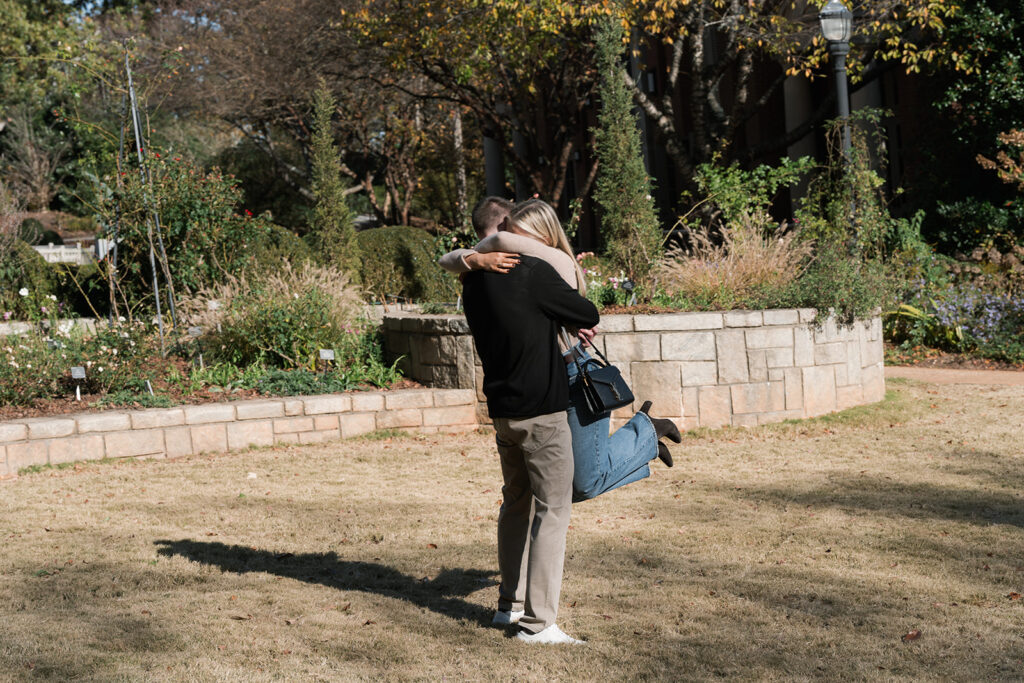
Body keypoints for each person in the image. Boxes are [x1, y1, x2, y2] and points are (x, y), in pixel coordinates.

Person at [440, 198, 680, 502]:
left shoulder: (552, 261)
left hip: (572, 374)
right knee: (572, 486)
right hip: (543, 379)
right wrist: (475, 260)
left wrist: (478, 254)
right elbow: (449, 259)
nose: (516, 242)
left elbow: (498, 241)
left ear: (542, 234)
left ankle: (645, 432)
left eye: (521, 234)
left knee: (582, 485)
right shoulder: (512, 263)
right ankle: (646, 442)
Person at [461, 234, 599, 645]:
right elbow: (586, 310)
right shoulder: (534, 273)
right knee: (553, 510)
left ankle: (509, 607)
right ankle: (539, 625)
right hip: (542, 411)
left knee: (516, 503)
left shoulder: (472, 280)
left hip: (502, 410)